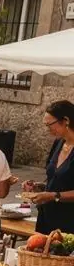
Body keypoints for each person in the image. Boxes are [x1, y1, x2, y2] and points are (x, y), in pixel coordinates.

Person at [27, 99, 74, 234]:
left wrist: (54, 196)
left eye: (50, 125)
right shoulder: (58, 143)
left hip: (69, 221)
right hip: (46, 217)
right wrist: (39, 187)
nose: (48, 130)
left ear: (66, 121)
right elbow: (56, 178)